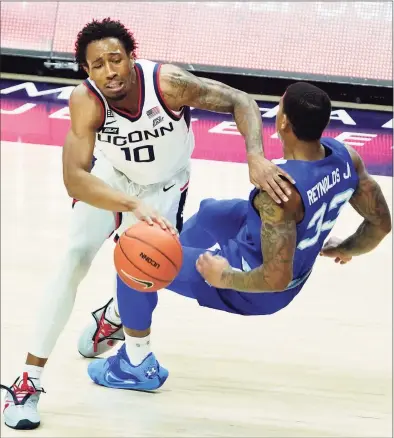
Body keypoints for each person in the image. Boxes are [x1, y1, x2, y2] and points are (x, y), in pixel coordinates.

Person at [1, 18, 294, 430]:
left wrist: (255, 156)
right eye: (97, 65)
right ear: (87, 71)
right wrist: (129, 203)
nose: (109, 70)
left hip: (165, 185)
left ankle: (118, 315)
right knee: (73, 259)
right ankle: (28, 382)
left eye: (116, 59)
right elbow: (74, 179)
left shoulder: (169, 83)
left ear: (132, 58)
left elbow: (242, 101)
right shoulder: (85, 100)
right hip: (111, 180)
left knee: (148, 269)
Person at [86, 82, 391, 392]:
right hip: (273, 244)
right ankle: (151, 286)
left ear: (282, 122)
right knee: (210, 213)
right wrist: (347, 246)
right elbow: (380, 224)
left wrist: (225, 277)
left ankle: (135, 363)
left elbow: (275, 278)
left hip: (257, 284)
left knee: (135, 259)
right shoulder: (345, 157)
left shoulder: (280, 195)